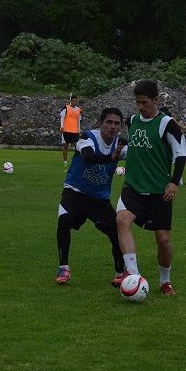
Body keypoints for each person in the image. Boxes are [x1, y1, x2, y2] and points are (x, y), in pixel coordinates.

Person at [116, 79, 186, 295]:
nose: (140, 107)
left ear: (155, 100)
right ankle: (133, 276)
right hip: (134, 187)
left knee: (163, 239)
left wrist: (174, 182)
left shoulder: (169, 125)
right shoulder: (131, 121)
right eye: (137, 102)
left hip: (159, 191)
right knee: (122, 220)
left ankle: (165, 282)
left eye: (144, 102)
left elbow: (181, 155)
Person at [55, 108, 127, 286]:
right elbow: (88, 157)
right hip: (75, 191)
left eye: (116, 123)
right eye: (108, 122)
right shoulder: (87, 137)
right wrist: (111, 157)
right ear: (100, 123)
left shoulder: (121, 145)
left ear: (121, 126)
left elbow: (141, 158)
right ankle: (63, 267)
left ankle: (120, 274)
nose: (112, 127)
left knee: (117, 231)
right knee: (64, 220)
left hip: (99, 198)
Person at [60, 94, 82, 166]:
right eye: (73, 101)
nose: (74, 102)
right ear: (71, 101)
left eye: (76, 101)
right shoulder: (66, 108)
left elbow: (78, 120)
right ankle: (65, 161)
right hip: (66, 130)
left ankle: (76, 160)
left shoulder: (78, 110)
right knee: (65, 146)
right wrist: (62, 126)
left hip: (75, 131)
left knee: (77, 146)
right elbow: (62, 118)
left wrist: (79, 130)